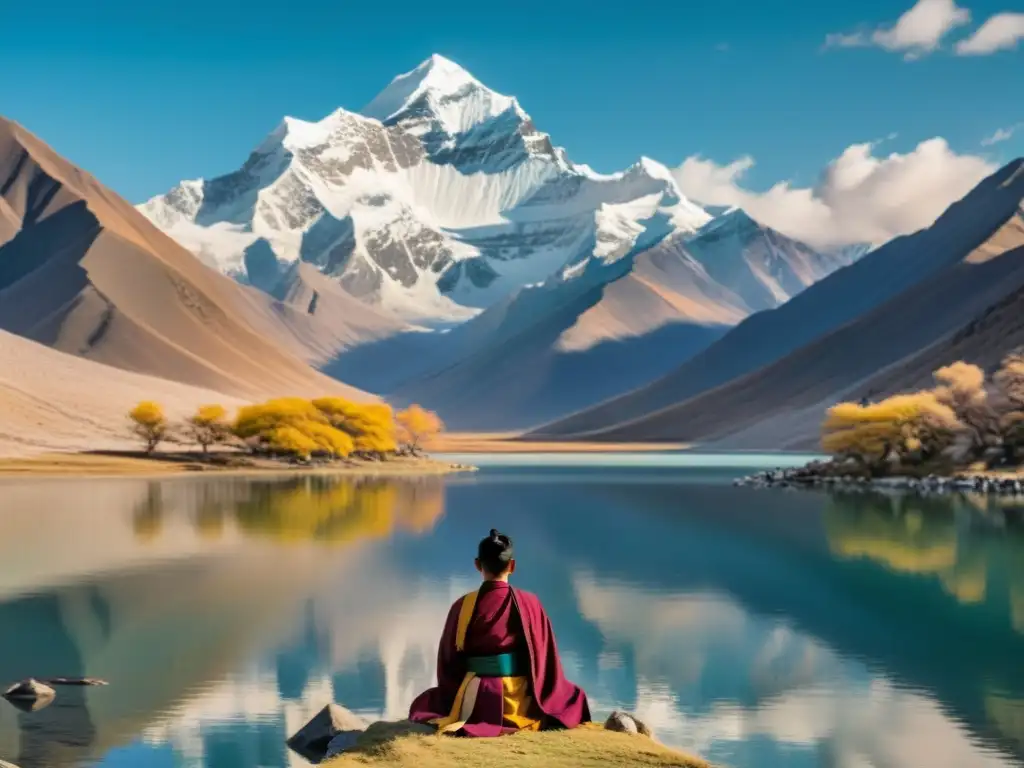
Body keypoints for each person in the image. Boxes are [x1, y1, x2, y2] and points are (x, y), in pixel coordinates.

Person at [408, 529, 591, 737]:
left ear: (478, 565)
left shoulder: (462, 606)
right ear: (512, 566)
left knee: (427, 702)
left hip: (475, 697)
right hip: (521, 698)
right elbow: (545, 658)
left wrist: (453, 692)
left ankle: (473, 718)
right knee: (574, 697)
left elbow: (448, 662)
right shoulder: (530, 603)